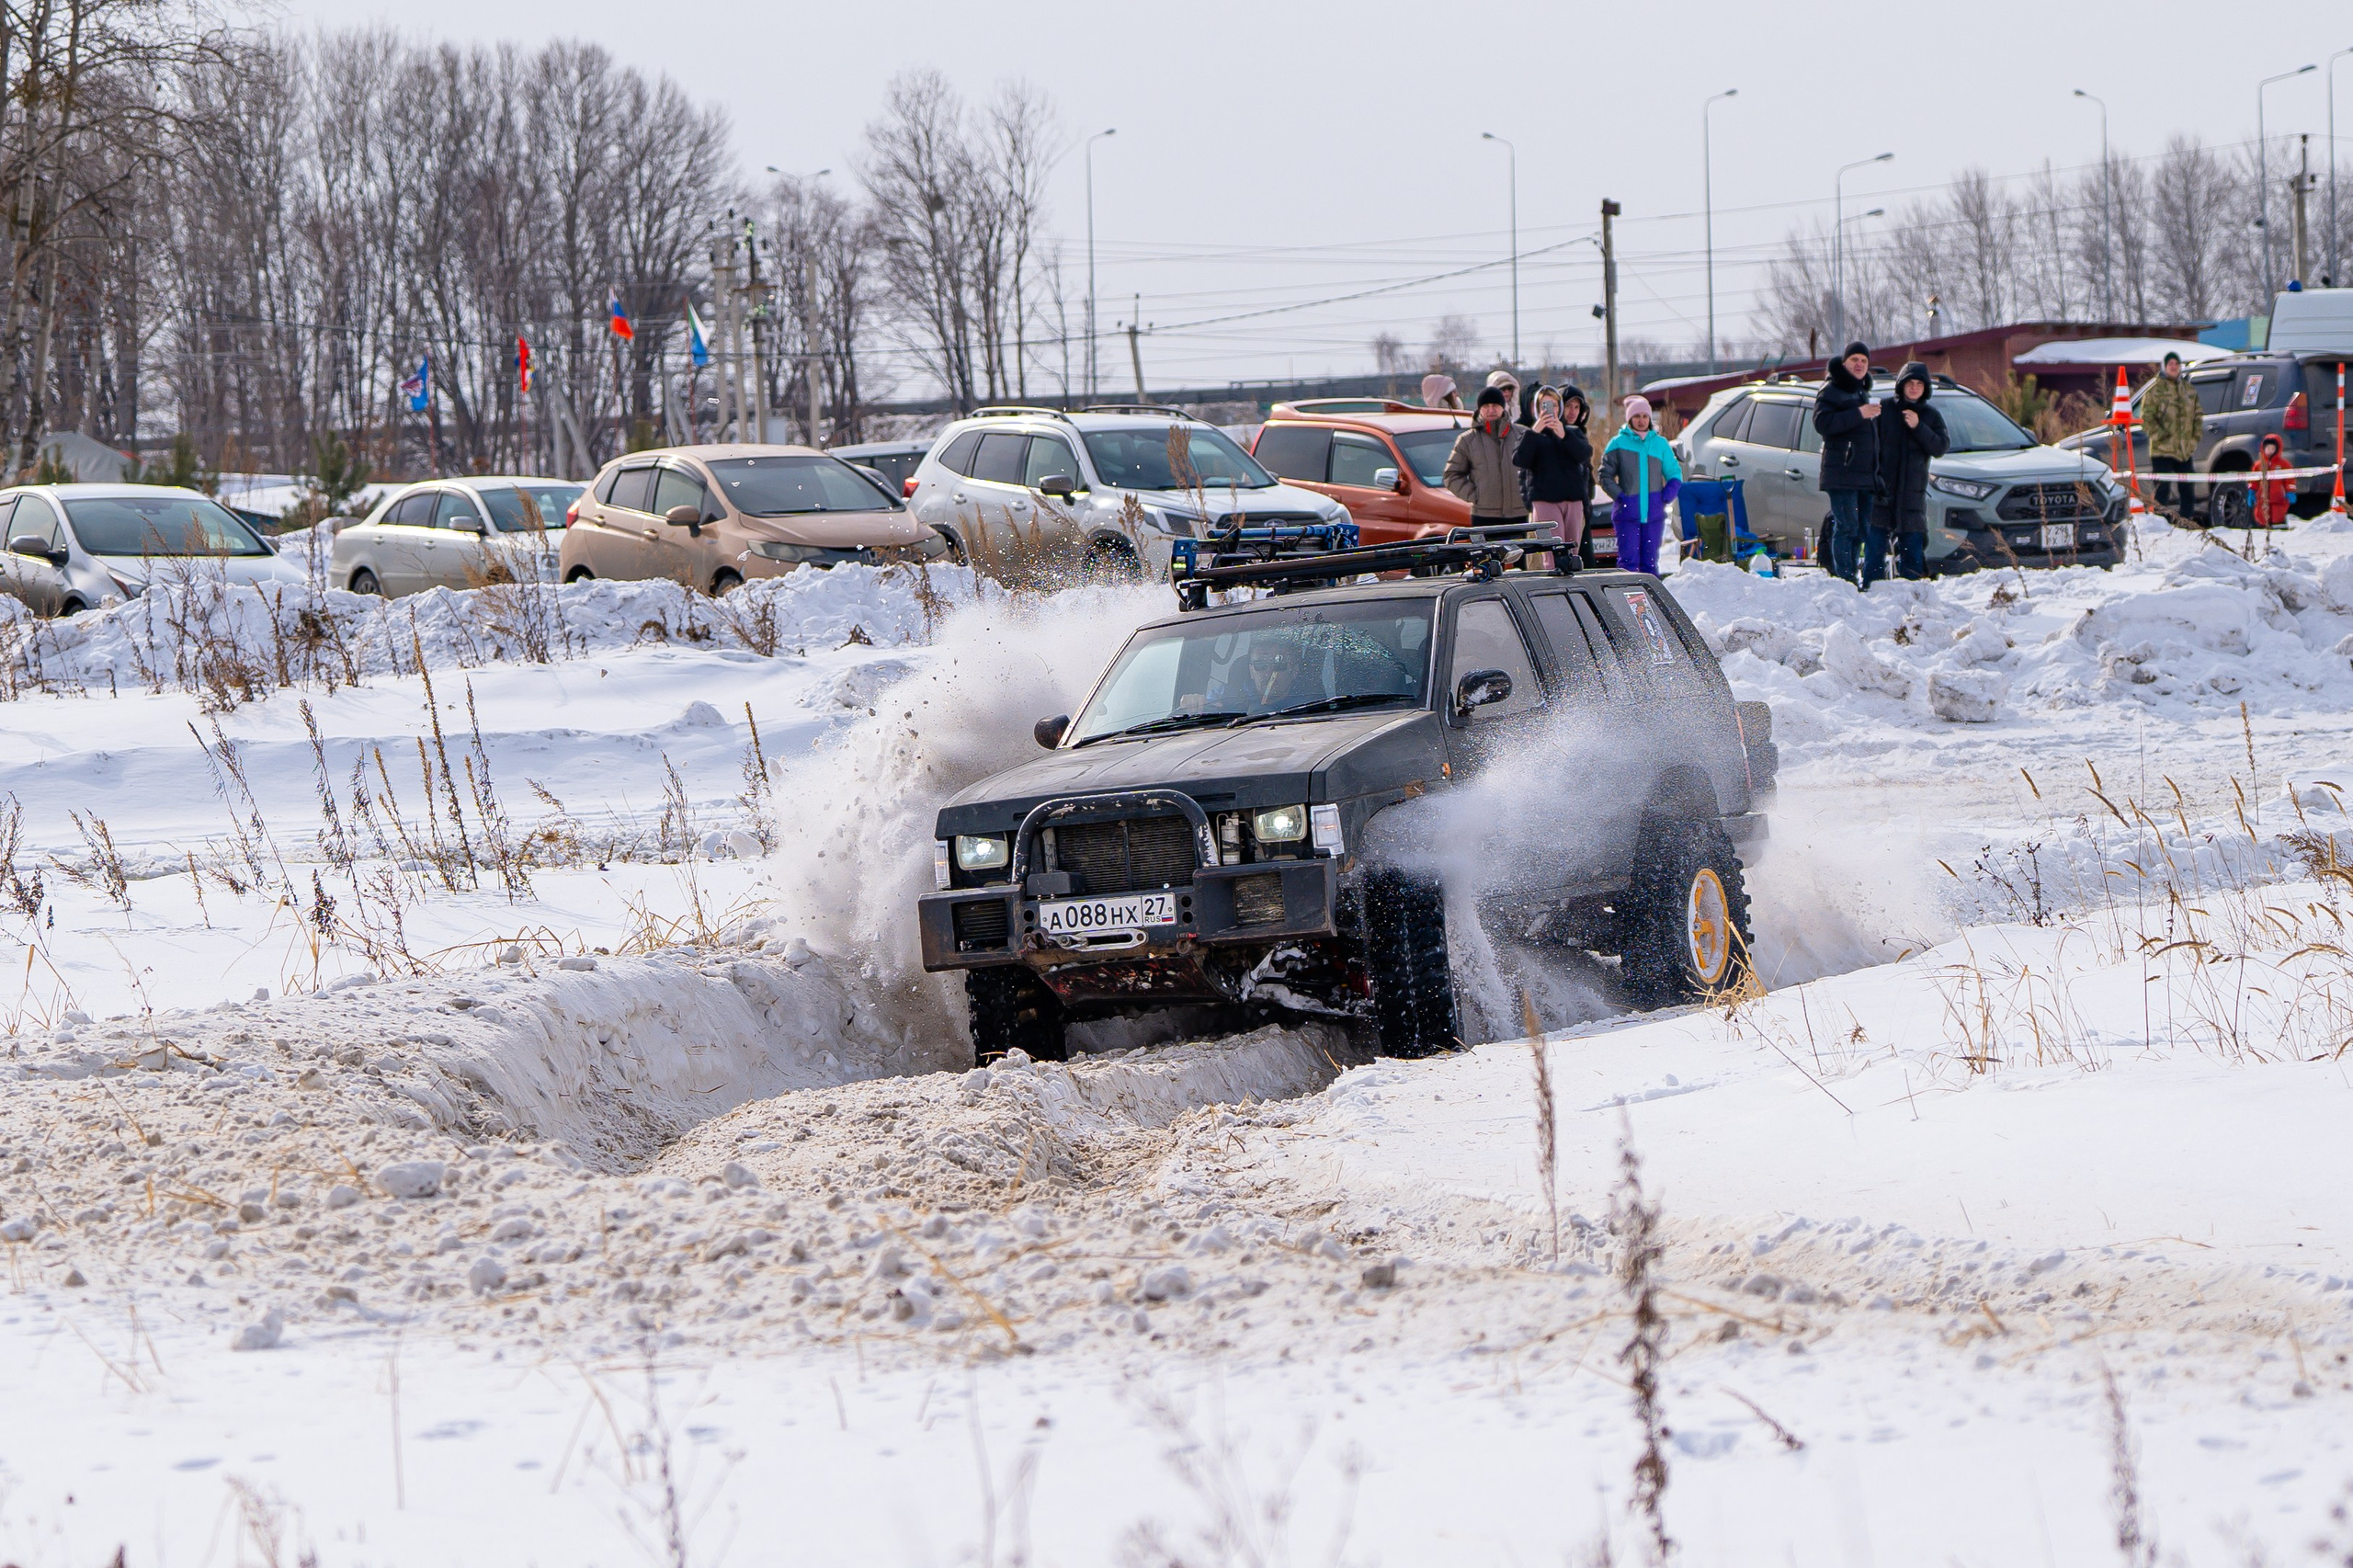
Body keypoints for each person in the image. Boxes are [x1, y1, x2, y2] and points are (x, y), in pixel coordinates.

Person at [1866, 361, 1950, 585]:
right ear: (1901, 385)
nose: (1914, 388)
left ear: (1925, 388)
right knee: (1874, 550)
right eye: (1910, 383)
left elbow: (1940, 447)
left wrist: (1918, 426)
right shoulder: (1884, 410)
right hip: (1881, 494)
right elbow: (1868, 448)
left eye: (1919, 384)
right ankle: (1870, 594)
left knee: (1912, 552)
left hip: (1912, 498)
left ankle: (1911, 597)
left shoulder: (1931, 416)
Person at [1812, 340, 1881, 584]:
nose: (1860, 364)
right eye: (1855, 360)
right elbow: (1822, 423)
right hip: (1841, 471)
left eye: (1864, 361)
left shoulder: (1861, 391)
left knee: (1862, 529)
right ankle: (1844, 579)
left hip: (1864, 475)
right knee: (1846, 526)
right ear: (1844, 363)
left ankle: (1852, 574)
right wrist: (1858, 414)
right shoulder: (1831, 390)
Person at [1597, 395, 1682, 575]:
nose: (1641, 420)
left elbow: (1674, 473)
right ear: (1629, 419)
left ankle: (1651, 600)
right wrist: (1621, 497)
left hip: (1654, 514)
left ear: (1650, 418)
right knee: (1628, 562)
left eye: (1645, 416)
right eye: (1637, 416)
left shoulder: (1660, 444)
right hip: (1627, 513)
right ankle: (1625, 598)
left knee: (1650, 563)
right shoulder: (1617, 443)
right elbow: (1605, 475)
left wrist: (1665, 496)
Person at [1514, 385, 1593, 553]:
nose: (1550, 410)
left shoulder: (1572, 432)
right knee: (1552, 553)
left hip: (1572, 500)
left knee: (1573, 552)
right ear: (1537, 409)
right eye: (1545, 406)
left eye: (1554, 406)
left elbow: (1584, 455)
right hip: (1545, 500)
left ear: (1559, 408)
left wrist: (1563, 435)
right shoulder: (1531, 435)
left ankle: (1571, 579)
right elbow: (1520, 460)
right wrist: (1535, 432)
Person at [1442, 385, 1530, 528]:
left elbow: (1538, 470)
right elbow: (1451, 475)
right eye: (1486, 406)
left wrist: (1527, 496)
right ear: (1479, 409)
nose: (1491, 410)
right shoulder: (1467, 440)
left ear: (1503, 407)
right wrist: (1476, 496)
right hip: (1484, 516)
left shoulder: (1523, 435)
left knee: (1521, 550)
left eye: (1495, 405)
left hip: (1520, 514)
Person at [2141, 351, 2203, 521]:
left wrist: (2194, 439)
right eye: (2170, 364)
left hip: (2184, 450)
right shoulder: (2155, 390)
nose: (2173, 367)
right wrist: (2160, 436)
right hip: (2162, 450)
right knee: (2162, 489)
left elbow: (2198, 416)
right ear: (2165, 367)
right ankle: (2160, 522)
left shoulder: (2189, 390)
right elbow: (2146, 418)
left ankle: (2187, 519)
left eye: (2176, 364)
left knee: (2187, 487)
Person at [2251, 433, 2294, 528]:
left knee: (2277, 512)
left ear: (2277, 449)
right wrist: (2251, 491)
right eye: (2268, 448)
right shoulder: (2258, 465)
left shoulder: (2284, 464)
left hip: (2278, 497)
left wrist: (2290, 491)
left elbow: (2290, 479)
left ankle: (2278, 526)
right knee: (2260, 513)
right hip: (2262, 497)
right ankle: (2262, 526)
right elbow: (2253, 480)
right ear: (2263, 448)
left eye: (2272, 449)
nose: (2270, 451)